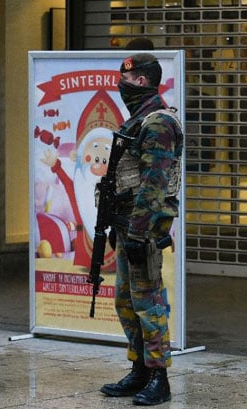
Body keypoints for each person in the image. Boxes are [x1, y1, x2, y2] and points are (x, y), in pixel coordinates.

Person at [99, 53, 183, 405]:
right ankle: (139, 370)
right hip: (128, 225)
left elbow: (154, 183)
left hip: (143, 230)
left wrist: (137, 232)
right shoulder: (137, 121)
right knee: (126, 301)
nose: (123, 85)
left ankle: (158, 377)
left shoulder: (158, 122)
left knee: (149, 303)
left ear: (145, 81)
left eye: (129, 80)